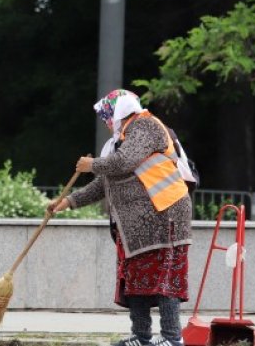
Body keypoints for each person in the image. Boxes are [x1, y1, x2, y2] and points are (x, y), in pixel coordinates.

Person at [48, 89, 192, 346]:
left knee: (164, 278)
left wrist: (91, 165)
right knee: (136, 280)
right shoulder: (120, 140)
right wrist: (67, 202)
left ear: (121, 111)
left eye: (107, 116)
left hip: (166, 215)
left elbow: (124, 162)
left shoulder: (145, 125)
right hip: (137, 226)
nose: (106, 122)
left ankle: (173, 338)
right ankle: (141, 336)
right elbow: (104, 184)